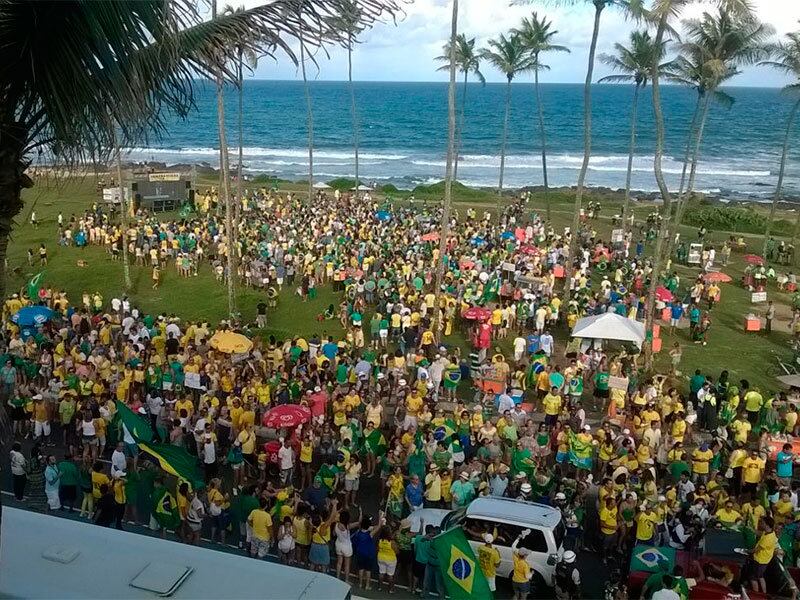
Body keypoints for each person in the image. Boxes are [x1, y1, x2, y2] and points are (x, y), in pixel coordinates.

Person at [749, 517, 777, 594]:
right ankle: (764, 593)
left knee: (753, 579)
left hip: (760, 561)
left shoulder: (768, 539)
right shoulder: (769, 532)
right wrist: (752, 529)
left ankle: (756, 595)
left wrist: (745, 551)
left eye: (763, 523)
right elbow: (760, 533)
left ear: (767, 525)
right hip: (764, 560)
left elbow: (756, 550)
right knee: (760, 576)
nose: (761, 524)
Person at [511, 529, 534, 600]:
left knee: (516, 595)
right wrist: (532, 573)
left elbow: (513, 547)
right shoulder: (525, 565)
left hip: (515, 581)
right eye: (526, 554)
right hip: (523, 583)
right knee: (523, 597)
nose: (527, 555)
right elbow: (527, 576)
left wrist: (518, 538)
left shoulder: (515, 557)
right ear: (524, 556)